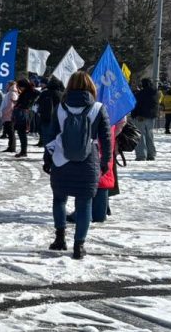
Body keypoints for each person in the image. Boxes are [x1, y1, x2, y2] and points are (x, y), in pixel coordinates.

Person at [44, 71, 111, 260]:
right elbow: (106, 139)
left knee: (59, 199)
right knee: (84, 203)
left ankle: (59, 239)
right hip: (88, 161)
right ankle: (79, 246)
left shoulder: (60, 107)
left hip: (61, 160)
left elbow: (50, 136)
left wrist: (47, 159)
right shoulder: (98, 108)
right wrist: (105, 162)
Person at [132, 78, 159, 161]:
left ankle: (141, 155)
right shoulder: (156, 93)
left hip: (140, 117)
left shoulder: (140, 94)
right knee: (150, 136)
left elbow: (136, 105)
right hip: (151, 117)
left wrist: (135, 115)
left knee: (140, 136)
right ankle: (151, 154)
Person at [35, 77, 65, 147]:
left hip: (45, 118)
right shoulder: (62, 95)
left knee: (47, 138)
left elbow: (38, 103)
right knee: (57, 138)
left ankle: (47, 154)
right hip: (58, 119)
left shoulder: (44, 93)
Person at [13, 79, 37, 157]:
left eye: (20, 87)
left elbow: (26, 103)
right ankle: (23, 151)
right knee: (21, 133)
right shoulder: (28, 92)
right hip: (22, 113)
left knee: (22, 133)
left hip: (23, 114)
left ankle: (24, 151)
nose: (19, 88)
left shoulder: (29, 92)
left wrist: (19, 105)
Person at [0, 81, 17, 152]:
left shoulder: (12, 93)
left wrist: (4, 112)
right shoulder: (10, 92)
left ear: (10, 85)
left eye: (7, 85)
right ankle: (11, 146)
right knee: (9, 131)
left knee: (10, 132)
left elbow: (11, 105)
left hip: (9, 115)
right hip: (8, 115)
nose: (6, 86)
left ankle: (12, 147)